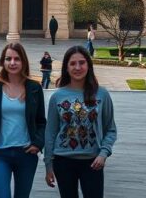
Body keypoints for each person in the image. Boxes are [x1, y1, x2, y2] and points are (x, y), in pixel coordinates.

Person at [44, 46, 116, 198]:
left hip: (93, 161)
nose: (78, 67)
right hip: (63, 161)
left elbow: (110, 129)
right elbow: (50, 133)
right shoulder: (57, 96)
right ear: (66, 67)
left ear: (88, 66)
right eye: (73, 63)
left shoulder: (102, 94)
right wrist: (48, 165)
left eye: (82, 63)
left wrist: (103, 154)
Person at [0, 42, 46, 198]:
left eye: (17, 59)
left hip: (26, 154)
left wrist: (38, 143)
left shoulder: (34, 88)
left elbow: (41, 121)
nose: (13, 63)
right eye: (8, 59)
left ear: (23, 62)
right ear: (2, 62)